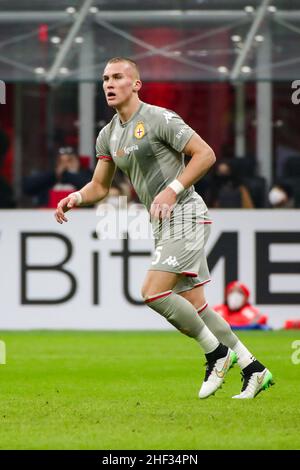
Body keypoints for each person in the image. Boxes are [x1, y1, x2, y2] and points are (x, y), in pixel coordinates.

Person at [55, 57, 273, 399]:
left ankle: (217, 354)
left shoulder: (159, 118)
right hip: (162, 222)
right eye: (104, 79)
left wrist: (172, 190)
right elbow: (100, 186)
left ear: (136, 84)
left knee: (152, 292)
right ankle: (253, 368)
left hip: (185, 213)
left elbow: (205, 154)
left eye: (117, 77)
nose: (108, 84)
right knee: (196, 305)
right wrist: (76, 196)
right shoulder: (108, 134)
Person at [23, 147, 93, 207]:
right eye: (61, 162)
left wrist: (70, 175)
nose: (65, 165)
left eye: (70, 161)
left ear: (78, 162)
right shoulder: (49, 179)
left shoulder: (87, 175)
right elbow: (27, 187)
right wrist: (55, 175)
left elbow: (92, 188)